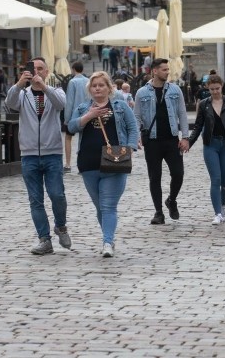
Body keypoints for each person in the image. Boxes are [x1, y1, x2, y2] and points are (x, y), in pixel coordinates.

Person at [68, 71, 138, 257]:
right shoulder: (83, 107)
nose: (97, 88)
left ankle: (107, 242)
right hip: (88, 163)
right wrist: (88, 116)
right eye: (94, 85)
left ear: (109, 88)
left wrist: (130, 148)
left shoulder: (120, 106)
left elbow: (132, 127)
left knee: (108, 206)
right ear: (90, 89)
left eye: (101, 85)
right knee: (100, 206)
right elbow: (72, 127)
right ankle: (109, 237)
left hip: (114, 161)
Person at [5, 57, 70, 255]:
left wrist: (45, 88)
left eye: (41, 68)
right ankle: (44, 239)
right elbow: (10, 104)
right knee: (36, 199)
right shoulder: (22, 94)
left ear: (47, 71)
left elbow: (61, 105)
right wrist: (18, 84)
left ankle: (61, 226)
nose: (37, 72)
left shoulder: (55, 90)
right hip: (29, 153)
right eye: (33, 69)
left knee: (57, 194)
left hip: (52, 153)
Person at [134, 58, 190, 225]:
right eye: (164, 69)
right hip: (152, 140)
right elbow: (136, 116)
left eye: (168, 69)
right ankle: (158, 212)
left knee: (178, 173)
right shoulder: (142, 93)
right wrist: (136, 136)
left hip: (172, 139)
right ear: (155, 71)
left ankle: (171, 200)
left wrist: (185, 137)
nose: (167, 72)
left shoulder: (175, 90)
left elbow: (182, 113)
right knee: (155, 177)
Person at [188, 74, 225, 225]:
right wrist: (189, 142)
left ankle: (223, 205)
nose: (215, 92)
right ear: (208, 88)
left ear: (222, 86)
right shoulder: (204, 104)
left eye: (217, 88)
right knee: (216, 179)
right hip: (210, 144)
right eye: (212, 89)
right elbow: (198, 126)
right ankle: (217, 213)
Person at [63, 61, 89, 173]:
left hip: (75, 114)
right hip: (87, 113)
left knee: (68, 138)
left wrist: (66, 119)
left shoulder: (73, 82)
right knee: (83, 139)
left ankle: (68, 164)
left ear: (73, 69)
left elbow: (69, 101)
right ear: (82, 69)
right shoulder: (88, 81)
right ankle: (82, 164)